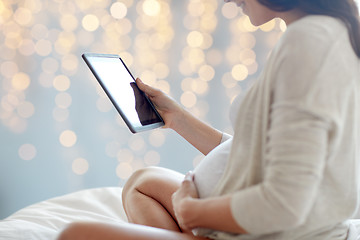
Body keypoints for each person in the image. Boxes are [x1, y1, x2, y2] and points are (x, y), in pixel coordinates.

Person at [58, 0, 360, 239]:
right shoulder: (326, 32)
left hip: (284, 230)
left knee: (74, 235)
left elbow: (285, 204)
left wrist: (193, 212)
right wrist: (178, 118)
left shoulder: (308, 43)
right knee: (142, 181)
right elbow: (259, 154)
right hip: (276, 222)